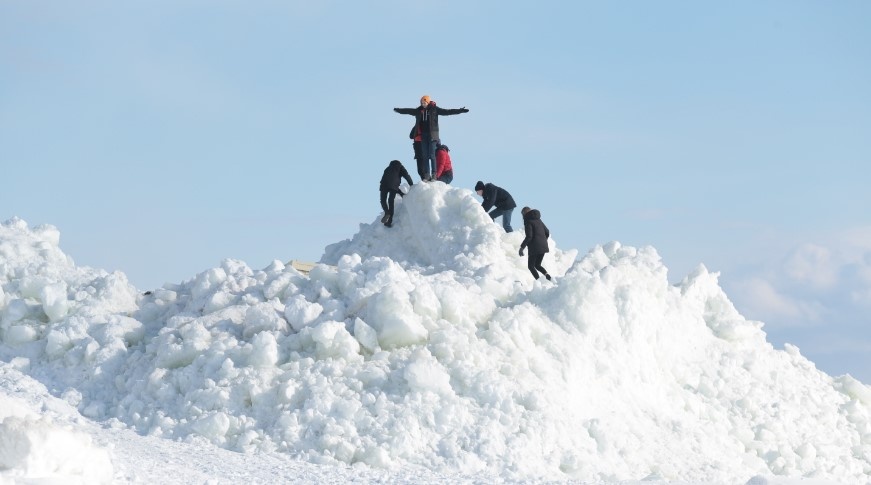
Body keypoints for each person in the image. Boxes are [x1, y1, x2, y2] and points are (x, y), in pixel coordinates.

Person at [394, 96, 468, 181]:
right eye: (421, 103)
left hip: (433, 136)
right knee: (425, 156)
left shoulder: (435, 109)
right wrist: (398, 110)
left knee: (432, 155)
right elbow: (408, 110)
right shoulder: (419, 111)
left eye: (424, 103)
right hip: (423, 136)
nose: (423, 104)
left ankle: (434, 174)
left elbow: (447, 112)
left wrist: (460, 110)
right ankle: (426, 175)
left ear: (428, 102)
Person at [518, 206, 552, 281]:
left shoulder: (528, 221)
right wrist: (543, 240)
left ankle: (539, 282)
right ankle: (547, 276)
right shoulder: (539, 220)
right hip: (543, 246)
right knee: (537, 265)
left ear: (524, 213)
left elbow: (529, 236)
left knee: (531, 266)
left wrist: (521, 248)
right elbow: (547, 232)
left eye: (522, 215)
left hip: (535, 247)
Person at [379, 160, 413, 228]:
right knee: (390, 201)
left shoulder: (387, 168)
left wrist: (400, 192)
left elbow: (386, 179)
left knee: (383, 200)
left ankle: (386, 212)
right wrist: (411, 184)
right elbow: (407, 176)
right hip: (393, 186)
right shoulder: (400, 167)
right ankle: (389, 221)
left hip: (384, 184)